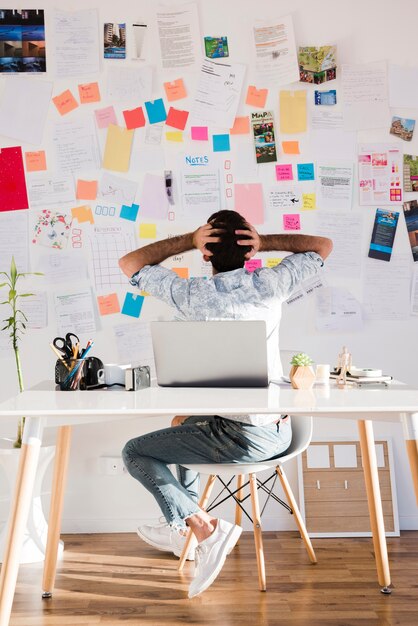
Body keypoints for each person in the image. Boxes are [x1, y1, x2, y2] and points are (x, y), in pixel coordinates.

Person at [118, 210, 333, 598]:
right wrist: (267, 242)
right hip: (278, 428)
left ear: (206, 253)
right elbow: (322, 246)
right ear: (250, 251)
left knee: (135, 452)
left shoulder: (191, 294)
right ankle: (180, 526)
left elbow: (130, 263)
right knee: (182, 419)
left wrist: (186, 238)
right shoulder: (271, 283)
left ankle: (205, 528)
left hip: (242, 438)